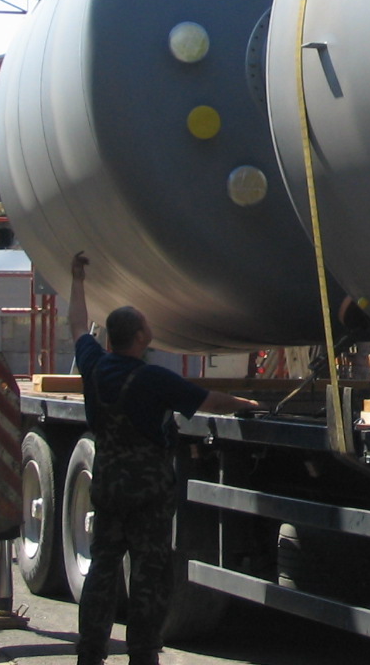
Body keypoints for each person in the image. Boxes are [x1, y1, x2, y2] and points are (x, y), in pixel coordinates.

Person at [67, 251, 261, 665]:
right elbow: (209, 401)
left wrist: (77, 280)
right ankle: (142, 653)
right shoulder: (153, 378)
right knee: (149, 572)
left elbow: (77, 326)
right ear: (140, 336)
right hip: (148, 492)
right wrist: (246, 403)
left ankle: (90, 651)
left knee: (103, 567)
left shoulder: (95, 366)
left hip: (107, 483)